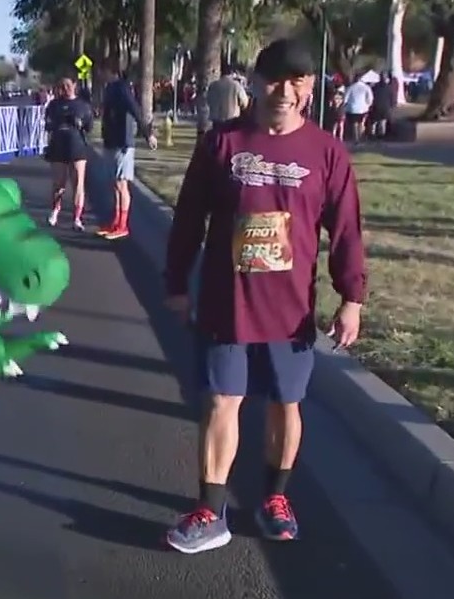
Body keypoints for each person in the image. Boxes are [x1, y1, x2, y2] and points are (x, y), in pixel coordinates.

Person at [162, 38, 366, 554]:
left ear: (310, 87)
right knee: (220, 402)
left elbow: (345, 231)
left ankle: (274, 499)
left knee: (284, 404)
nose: (285, 91)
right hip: (225, 302)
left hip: (289, 308)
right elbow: (188, 218)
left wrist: (352, 298)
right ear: (254, 83)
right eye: (274, 79)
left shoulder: (326, 152)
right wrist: (175, 282)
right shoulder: (221, 144)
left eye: (297, 81)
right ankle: (210, 510)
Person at [97, 62, 157, 240]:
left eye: (104, 70)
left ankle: (123, 225)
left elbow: (136, 111)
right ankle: (115, 221)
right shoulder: (110, 89)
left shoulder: (122, 89)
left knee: (122, 184)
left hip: (122, 142)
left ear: (112, 71)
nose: (101, 74)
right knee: (115, 183)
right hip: (111, 141)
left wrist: (148, 135)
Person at [43, 78, 93, 231]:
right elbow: (48, 125)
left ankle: (77, 218)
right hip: (58, 147)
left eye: (68, 85)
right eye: (62, 86)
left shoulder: (83, 106)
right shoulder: (53, 105)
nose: (65, 88)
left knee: (78, 184)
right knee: (58, 184)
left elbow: (89, 127)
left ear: (75, 86)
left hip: (77, 148)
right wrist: (55, 124)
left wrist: (79, 123)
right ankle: (55, 211)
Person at [343, 74, 373, 144]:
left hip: (352, 108)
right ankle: (361, 137)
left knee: (354, 124)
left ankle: (356, 138)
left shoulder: (350, 87)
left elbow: (345, 99)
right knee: (361, 123)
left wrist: (345, 106)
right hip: (363, 108)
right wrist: (368, 105)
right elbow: (370, 99)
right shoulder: (366, 87)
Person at [369, 73, 397, 139]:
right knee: (382, 122)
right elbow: (393, 98)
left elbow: (372, 97)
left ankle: (373, 134)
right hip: (386, 107)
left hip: (376, 106)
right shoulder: (389, 88)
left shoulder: (375, 87)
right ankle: (381, 135)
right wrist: (392, 105)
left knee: (374, 122)